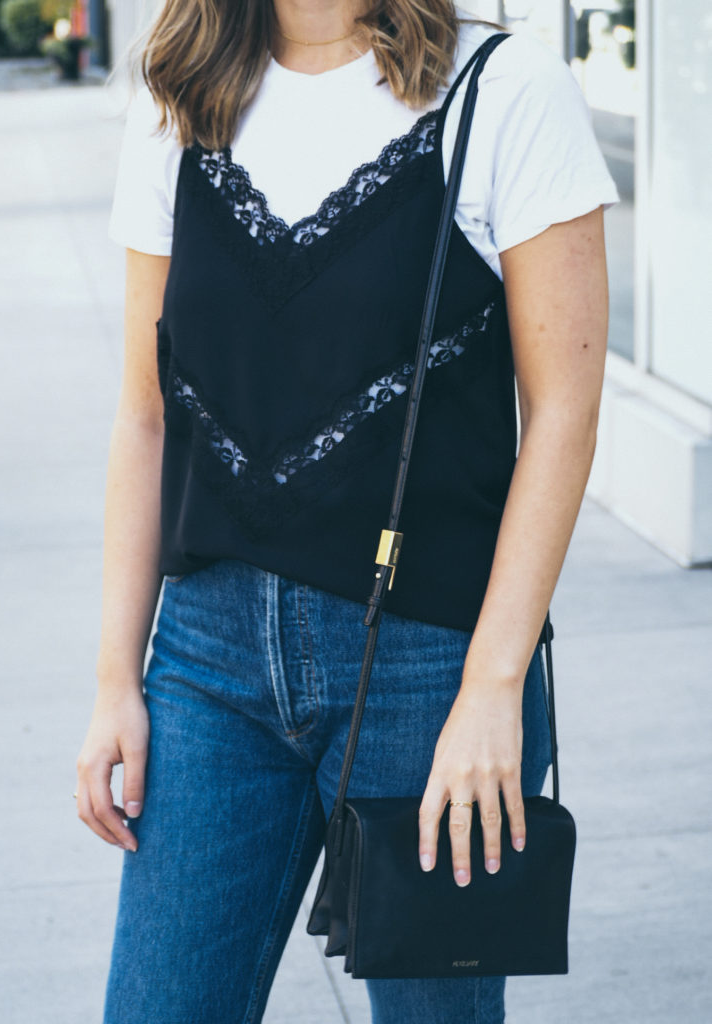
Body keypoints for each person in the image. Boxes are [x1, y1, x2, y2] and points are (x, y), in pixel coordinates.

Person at [75, 1, 618, 1021]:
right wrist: (116, 679)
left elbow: (564, 413)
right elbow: (145, 419)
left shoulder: (504, 92)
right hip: (207, 666)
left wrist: (494, 685)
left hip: (432, 664)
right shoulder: (177, 100)